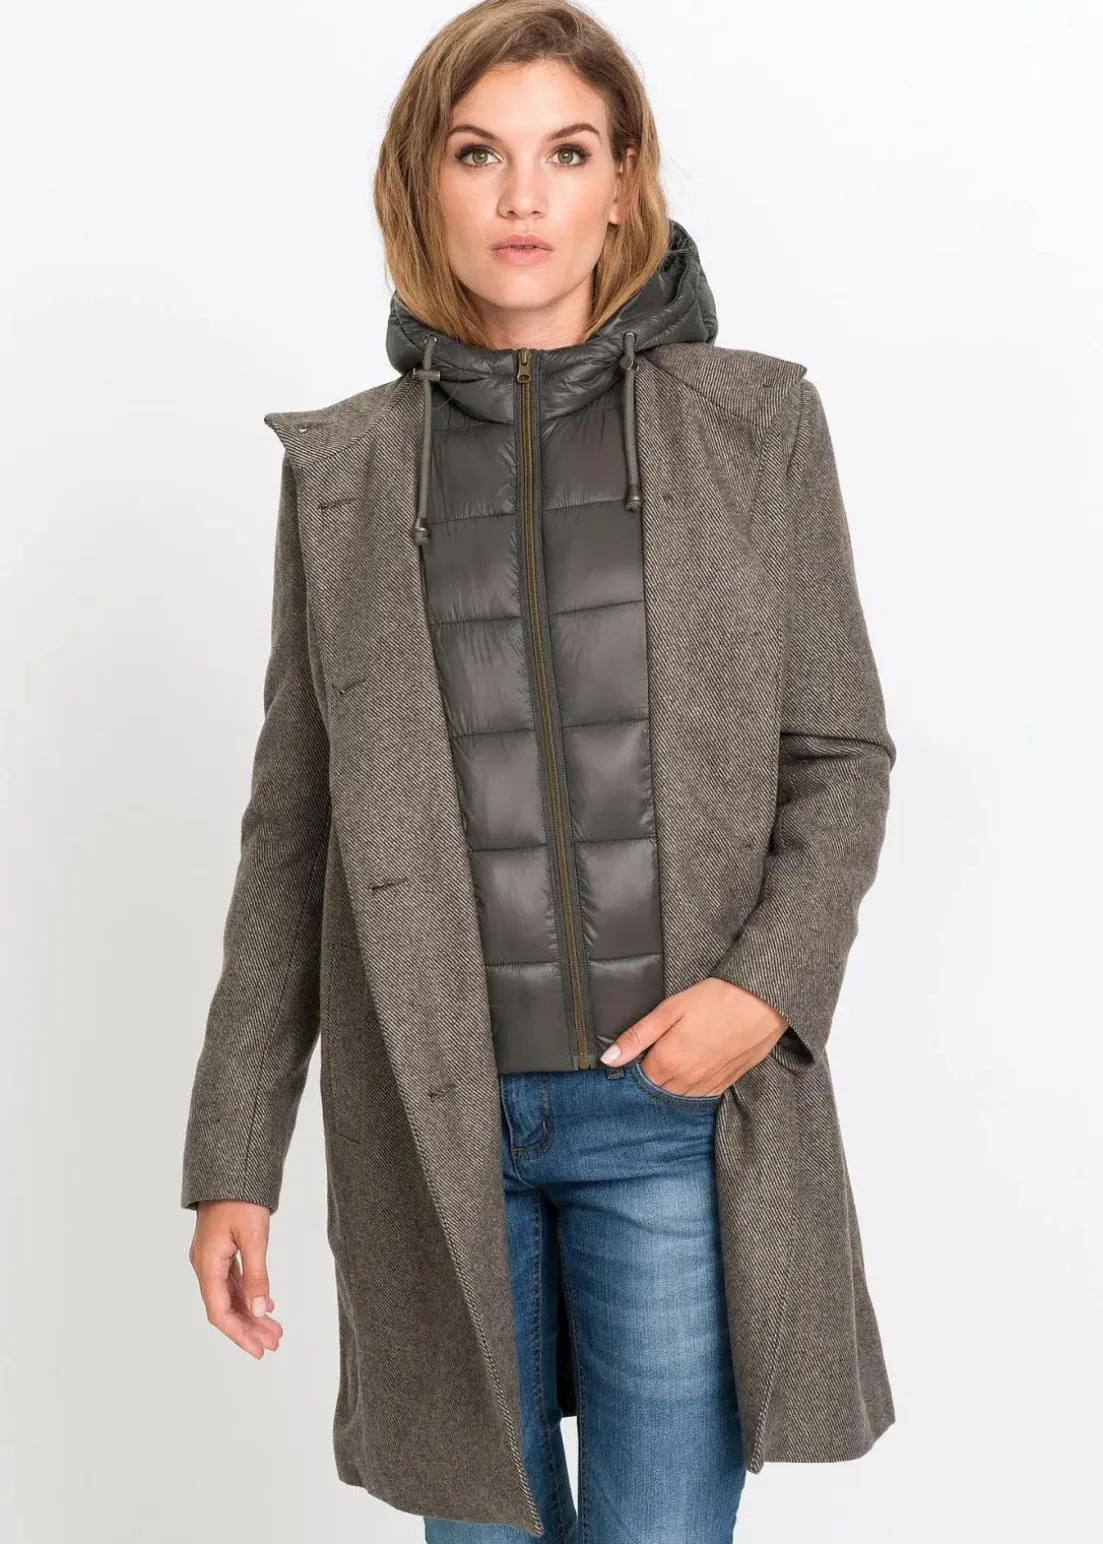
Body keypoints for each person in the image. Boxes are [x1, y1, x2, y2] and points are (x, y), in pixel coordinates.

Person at [181, 3, 898, 1540]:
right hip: (433, 1116)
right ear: (422, 184)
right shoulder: (345, 473)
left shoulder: (749, 427)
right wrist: (233, 1156)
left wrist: (762, 993)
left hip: (669, 1110)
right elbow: (292, 832)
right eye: (477, 154)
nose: (522, 197)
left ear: (623, 183)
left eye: (566, 154)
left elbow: (835, 755)